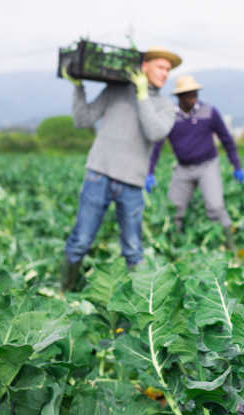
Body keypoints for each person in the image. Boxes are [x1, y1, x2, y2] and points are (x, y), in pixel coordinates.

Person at [60, 46, 182, 291]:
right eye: (160, 66)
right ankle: (64, 290)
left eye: (168, 69)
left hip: (132, 182)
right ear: (143, 66)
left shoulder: (167, 106)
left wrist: (142, 95)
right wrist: (78, 87)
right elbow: (82, 119)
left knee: (133, 249)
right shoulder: (115, 90)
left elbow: (154, 132)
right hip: (99, 174)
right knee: (80, 241)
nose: (165, 73)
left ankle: (138, 302)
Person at [146, 74, 244, 249]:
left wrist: (236, 165)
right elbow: (157, 146)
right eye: (188, 94)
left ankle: (231, 248)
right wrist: (150, 172)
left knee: (215, 207)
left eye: (195, 93)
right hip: (182, 168)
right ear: (179, 97)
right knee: (174, 209)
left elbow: (226, 139)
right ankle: (174, 249)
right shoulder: (169, 116)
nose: (193, 97)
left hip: (208, 165)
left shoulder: (209, 112)